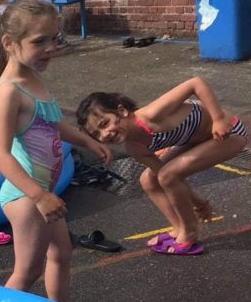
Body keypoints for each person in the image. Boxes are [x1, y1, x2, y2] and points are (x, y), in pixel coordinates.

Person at [0, 0, 110, 302]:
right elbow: (0, 153)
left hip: (43, 193)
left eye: (54, 38)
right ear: (9, 43)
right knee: (26, 273)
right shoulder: (10, 90)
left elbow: (52, 124)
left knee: (62, 253)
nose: (50, 48)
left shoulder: (32, 77)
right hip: (28, 197)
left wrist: (87, 141)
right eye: (40, 41)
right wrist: (39, 197)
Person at [77, 80, 248, 255]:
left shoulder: (152, 114)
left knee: (167, 175)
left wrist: (218, 119)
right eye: (97, 134)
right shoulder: (135, 148)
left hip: (228, 133)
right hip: (199, 141)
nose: (105, 134)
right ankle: (178, 227)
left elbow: (196, 83)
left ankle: (189, 232)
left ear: (122, 111)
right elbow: (167, 177)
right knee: (149, 180)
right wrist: (199, 203)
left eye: (105, 123)